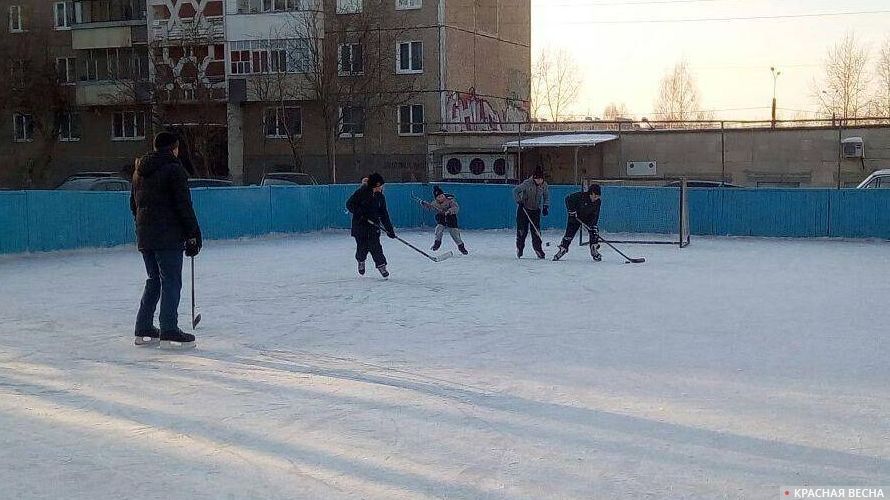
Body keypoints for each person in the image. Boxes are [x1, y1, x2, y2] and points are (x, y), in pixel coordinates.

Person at [131, 131, 202, 349]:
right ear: (174, 148)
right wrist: (193, 234)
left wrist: (146, 227)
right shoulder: (174, 169)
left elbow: (134, 205)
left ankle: (144, 327)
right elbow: (183, 204)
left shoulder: (139, 171)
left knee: (154, 279)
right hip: (168, 236)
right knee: (171, 280)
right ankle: (169, 329)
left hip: (146, 235)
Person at [346, 172, 396, 278]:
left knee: (376, 247)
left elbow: (384, 214)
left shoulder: (380, 197)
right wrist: (360, 214)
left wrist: (389, 229)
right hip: (360, 225)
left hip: (373, 226)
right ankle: (361, 260)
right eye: (380, 186)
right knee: (362, 248)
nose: (381, 187)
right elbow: (349, 204)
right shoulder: (361, 192)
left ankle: (381, 266)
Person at [553, 184, 602, 262]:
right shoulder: (580, 196)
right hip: (575, 217)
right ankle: (563, 249)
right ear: (591, 193)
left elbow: (596, 214)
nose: (596, 198)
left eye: (598, 197)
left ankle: (594, 248)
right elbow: (568, 199)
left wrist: (592, 225)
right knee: (569, 234)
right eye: (595, 196)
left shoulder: (598, 202)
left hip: (588, 218)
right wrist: (571, 210)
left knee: (594, 231)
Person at [512, 165, 550, 259]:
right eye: (538, 179)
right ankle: (520, 248)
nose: (540, 181)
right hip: (524, 210)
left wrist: (545, 206)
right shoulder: (527, 183)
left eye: (541, 179)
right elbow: (515, 191)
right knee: (522, 231)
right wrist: (519, 201)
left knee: (536, 231)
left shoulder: (544, 185)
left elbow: (546, 196)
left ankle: (538, 249)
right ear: (534, 178)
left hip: (535, 211)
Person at [421, 185, 467, 255]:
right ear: (436, 198)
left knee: (454, 233)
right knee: (439, 228)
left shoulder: (450, 200)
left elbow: (456, 207)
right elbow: (431, 208)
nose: (441, 198)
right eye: (439, 197)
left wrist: (449, 211)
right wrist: (425, 205)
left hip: (451, 217)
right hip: (441, 218)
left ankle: (461, 246)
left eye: (442, 196)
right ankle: (437, 243)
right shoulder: (434, 203)